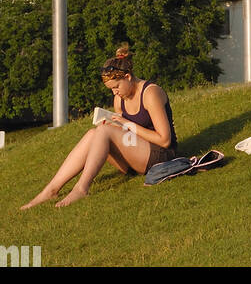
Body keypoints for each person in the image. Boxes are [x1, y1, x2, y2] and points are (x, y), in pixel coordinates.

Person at [21, 45, 178, 209]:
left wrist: (126, 124)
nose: (115, 93)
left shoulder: (151, 93)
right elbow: (126, 134)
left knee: (103, 131)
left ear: (127, 77)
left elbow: (164, 140)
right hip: (136, 156)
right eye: (111, 89)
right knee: (93, 133)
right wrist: (116, 125)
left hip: (161, 157)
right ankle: (51, 190)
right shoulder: (119, 99)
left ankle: (81, 188)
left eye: (116, 87)